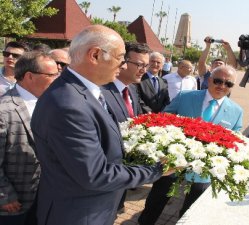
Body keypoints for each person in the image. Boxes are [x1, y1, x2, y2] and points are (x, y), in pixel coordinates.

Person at [30, 25, 165, 225]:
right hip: (76, 215)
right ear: (94, 55)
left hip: (94, 209)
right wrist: (156, 170)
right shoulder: (67, 104)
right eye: (121, 57)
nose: (123, 64)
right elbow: (96, 175)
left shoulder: (87, 91)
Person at [138, 65, 243, 224]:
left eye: (228, 84)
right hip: (173, 159)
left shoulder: (236, 111)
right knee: (157, 199)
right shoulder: (185, 96)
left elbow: (235, 140)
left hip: (204, 169)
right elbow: (164, 118)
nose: (222, 86)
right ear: (209, 80)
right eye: (218, 81)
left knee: (192, 207)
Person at [0, 51, 59, 225]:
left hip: (44, 197)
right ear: (29, 76)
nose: (57, 79)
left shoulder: (51, 104)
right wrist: (4, 195)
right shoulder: (4, 111)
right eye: (51, 75)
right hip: (14, 204)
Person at [101, 42, 151, 213]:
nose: (143, 70)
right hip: (105, 175)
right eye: (139, 64)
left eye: (146, 65)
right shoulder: (101, 92)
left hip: (123, 172)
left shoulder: (132, 89)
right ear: (123, 62)